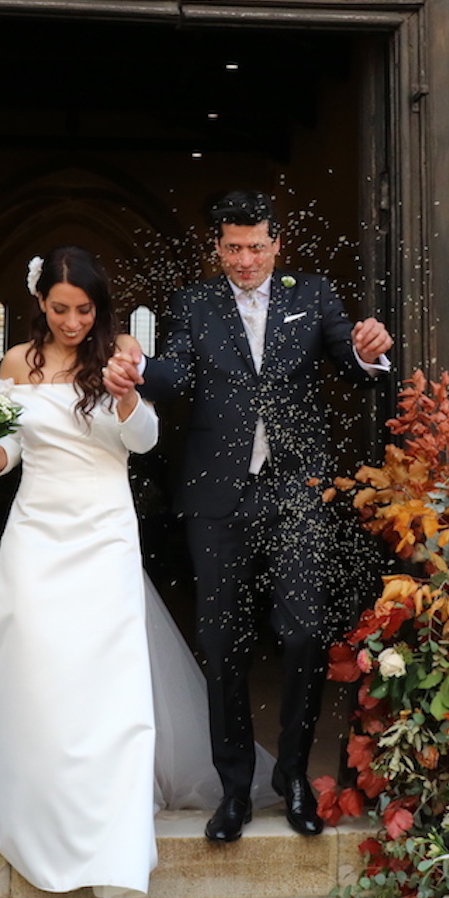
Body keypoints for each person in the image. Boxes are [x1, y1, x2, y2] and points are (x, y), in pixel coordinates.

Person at [104, 189, 394, 844]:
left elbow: (351, 365)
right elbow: (175, 374)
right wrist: (140, 369)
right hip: (217, 496)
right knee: (222, 644)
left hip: (295, 493)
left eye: (255, 246)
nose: (244, 259)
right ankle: (233, 789)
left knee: (301, 635)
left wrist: (367, 348)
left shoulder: (312, 295)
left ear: (276, 244)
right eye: (232, 247)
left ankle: (292, 778)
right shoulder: (195, 303)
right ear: (218, 246)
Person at [0, 246, 159, 898]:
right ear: (40, 304)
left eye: (84, 309)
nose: (73, 321)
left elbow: (144, 442)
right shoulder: (19, 361)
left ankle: (110, 837)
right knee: (34, 665)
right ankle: (39, 806)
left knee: (104, 680)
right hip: (37, 531)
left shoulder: (121, 354)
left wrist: (129, 400)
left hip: (103, 530)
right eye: (60, 308)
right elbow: (15, 442)